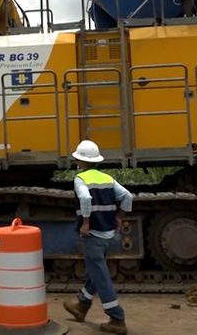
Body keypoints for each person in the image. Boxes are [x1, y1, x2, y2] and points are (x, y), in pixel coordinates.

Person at [63, 140, 133, 335]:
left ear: (80, 161)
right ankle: (81, 305)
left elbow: (85, 199)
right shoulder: (107, 178)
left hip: (93, 234)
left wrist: (85, 222)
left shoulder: (80, 179)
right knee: (95, 269)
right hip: (109, 235)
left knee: (101, 276)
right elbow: (127, 196)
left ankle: (117, 318)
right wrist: (119, 217)